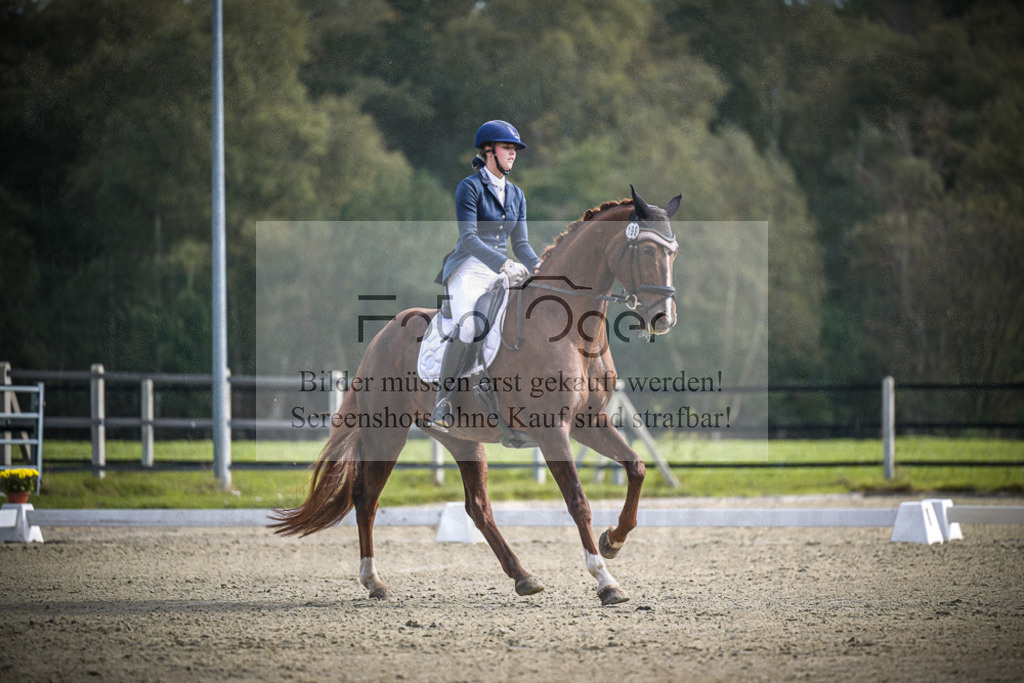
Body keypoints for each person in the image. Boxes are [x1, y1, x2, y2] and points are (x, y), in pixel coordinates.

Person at [430, 120, 542, 432]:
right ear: (489, 150)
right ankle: (443, 401)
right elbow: (469, 239)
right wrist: (503, 263)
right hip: (468, 267)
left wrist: (541, 267)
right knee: (471, 326)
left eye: (515, 150)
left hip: (502, 268)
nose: (513, 154)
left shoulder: (517, 194)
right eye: (508, 148)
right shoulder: (469, 187)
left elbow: (521, 244)